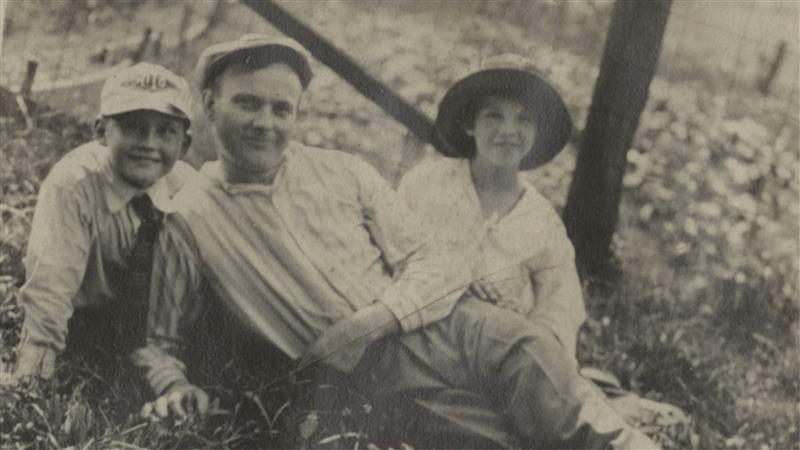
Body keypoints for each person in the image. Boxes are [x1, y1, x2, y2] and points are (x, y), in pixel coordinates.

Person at [135, 35, 658, 449]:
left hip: (436, 319)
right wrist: (174, 387)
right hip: (366, 376)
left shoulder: (340, 171)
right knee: (490, 438)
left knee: (531, 355)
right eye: (247, 104)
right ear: (209, 104)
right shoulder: (189, 217)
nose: (265, 123)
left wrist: (370, 322)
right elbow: (159, 341)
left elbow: (435, 260)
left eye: (281, 109)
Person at [10, 63, 196, 383]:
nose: (149, 143)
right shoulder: (74, 185)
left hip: (156, 331)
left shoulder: (189, 191)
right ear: (101, 131)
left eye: (166, 131)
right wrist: (38, 353)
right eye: (133, 127)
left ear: (184, 145)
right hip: (83, 323)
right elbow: (52, 280)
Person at [398, 54, 583, 357]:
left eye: (524, 119)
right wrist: (452, 276)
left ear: (537, 132)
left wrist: (525, 331)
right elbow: (391, 252)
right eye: (494, 116)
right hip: (415, 340)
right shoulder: (424, 185)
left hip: (492, 359)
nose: (509, 130)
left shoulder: (543, 224)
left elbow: (561, 311)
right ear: (469, 124)